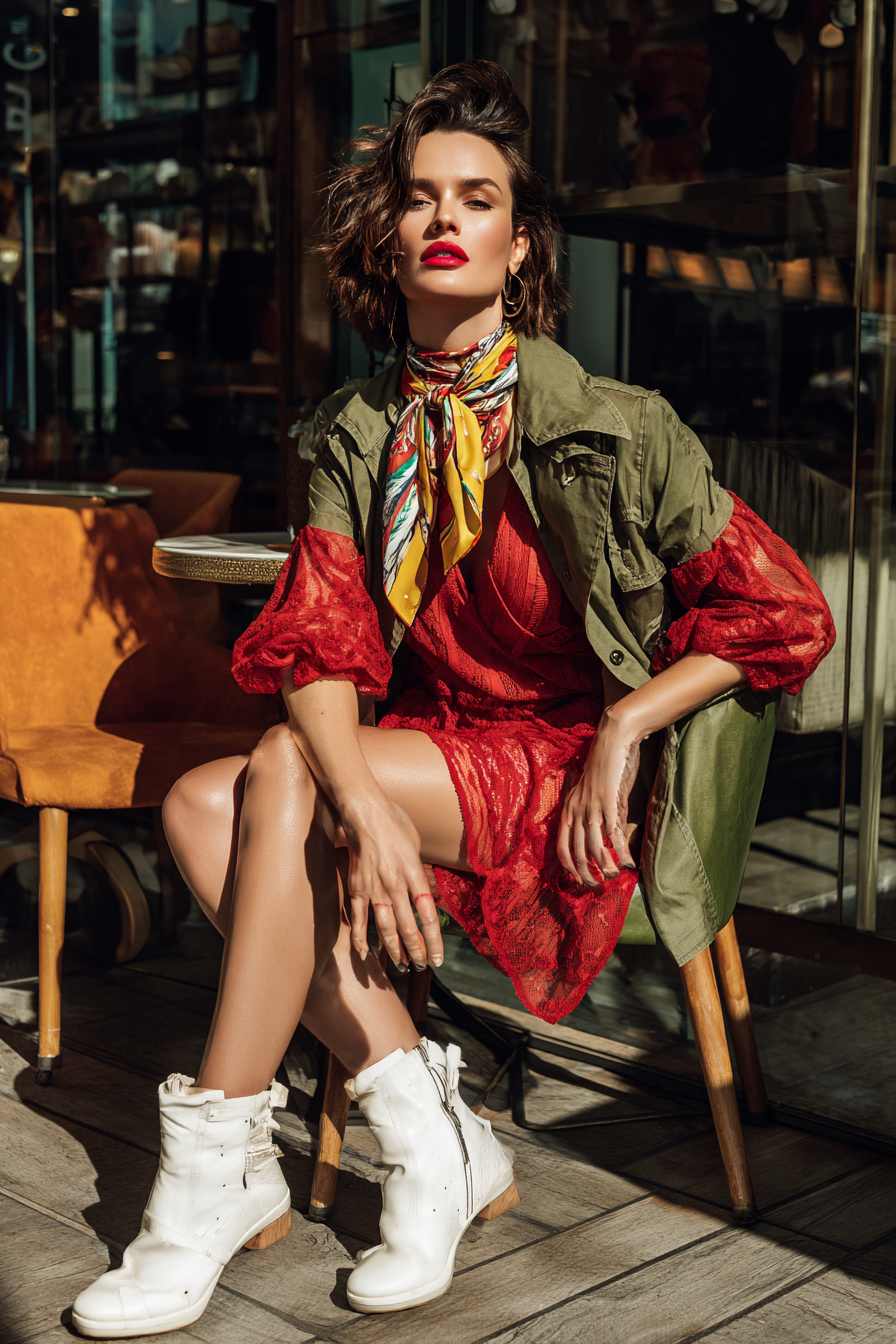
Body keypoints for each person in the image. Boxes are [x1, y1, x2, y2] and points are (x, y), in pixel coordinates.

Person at [71, 60, 834, 1338]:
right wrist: (368, 812)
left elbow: (782, 613)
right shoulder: (355, 430)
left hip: (557, 769)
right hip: (426, 757)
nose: (442, 217)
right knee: (210, 802)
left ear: (517, 240)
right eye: (420, 195)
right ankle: (433, 1137)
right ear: (392, 229)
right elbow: (318, 641)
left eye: (474, 198)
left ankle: (198, 1192)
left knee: (279, 774)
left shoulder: (615, 425)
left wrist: (633, 721)